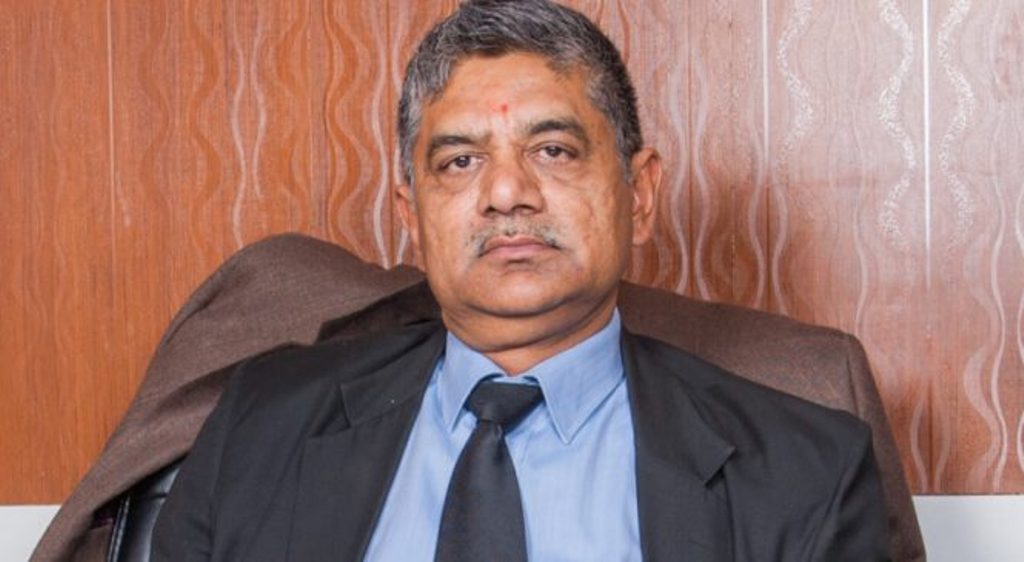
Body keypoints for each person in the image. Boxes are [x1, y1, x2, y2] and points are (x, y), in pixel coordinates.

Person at [152, 0, 890, 560]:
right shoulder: (262, 424)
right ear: (412, 216)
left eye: (554, 150)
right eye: (460, 161)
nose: (507, 193)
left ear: (639, 196)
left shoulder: (806, 475)